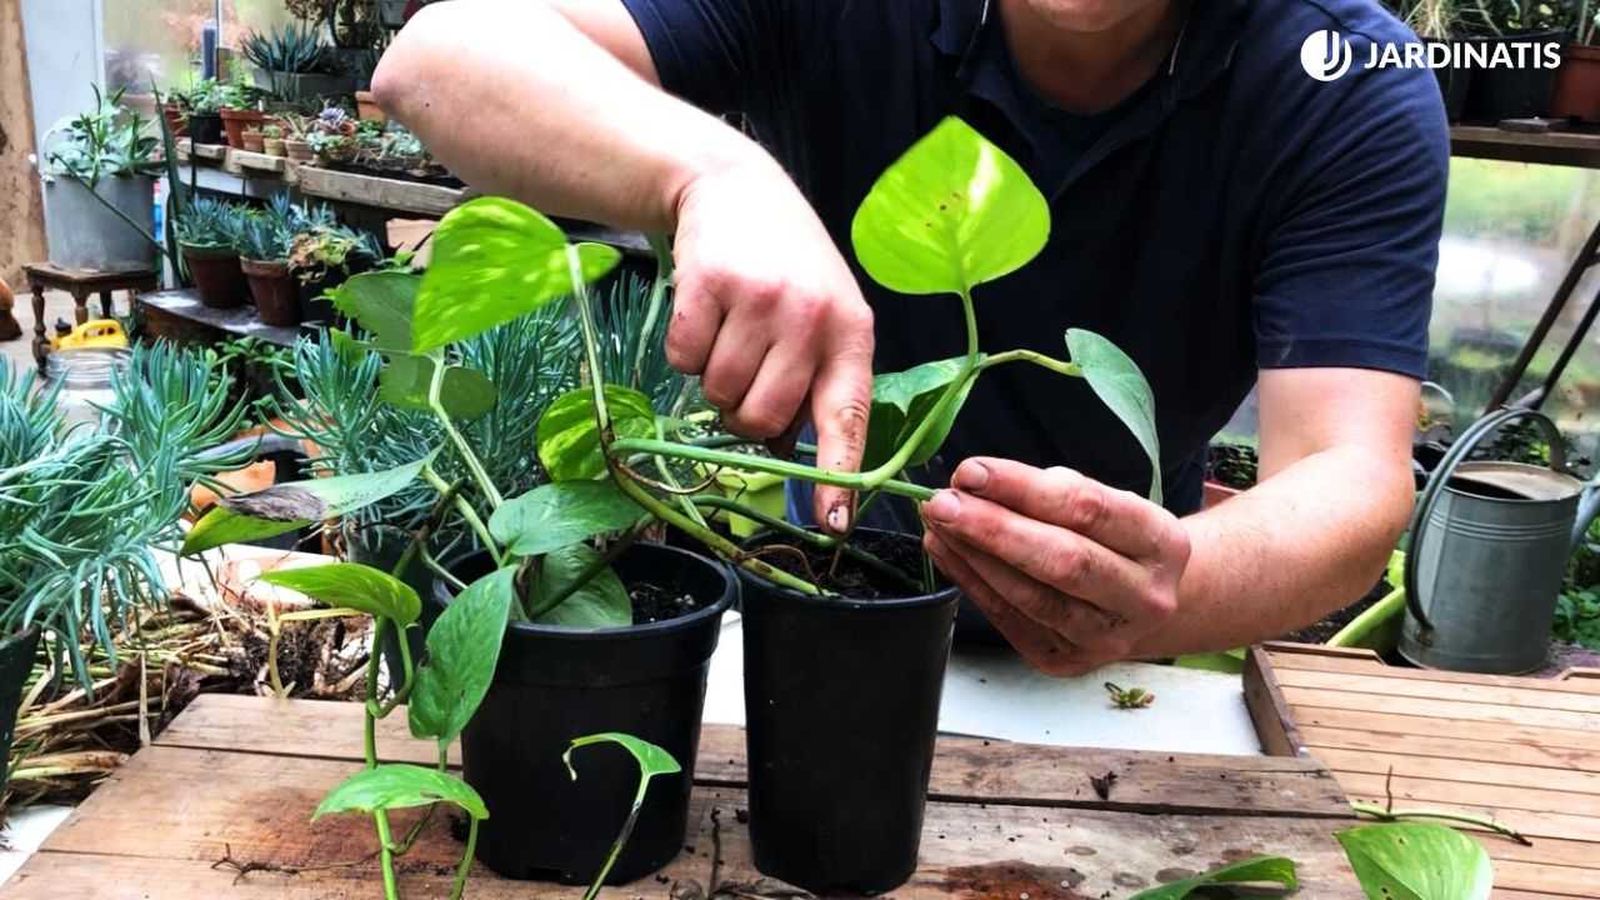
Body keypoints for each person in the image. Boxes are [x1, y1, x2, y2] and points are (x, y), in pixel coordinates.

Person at [373, 0, 1448, 675]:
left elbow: (1352, 474)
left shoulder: (1342, 78)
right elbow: (445, 51)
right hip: (822, 602)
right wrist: (711, 173)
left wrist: (1176, 587)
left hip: (1136, 642)